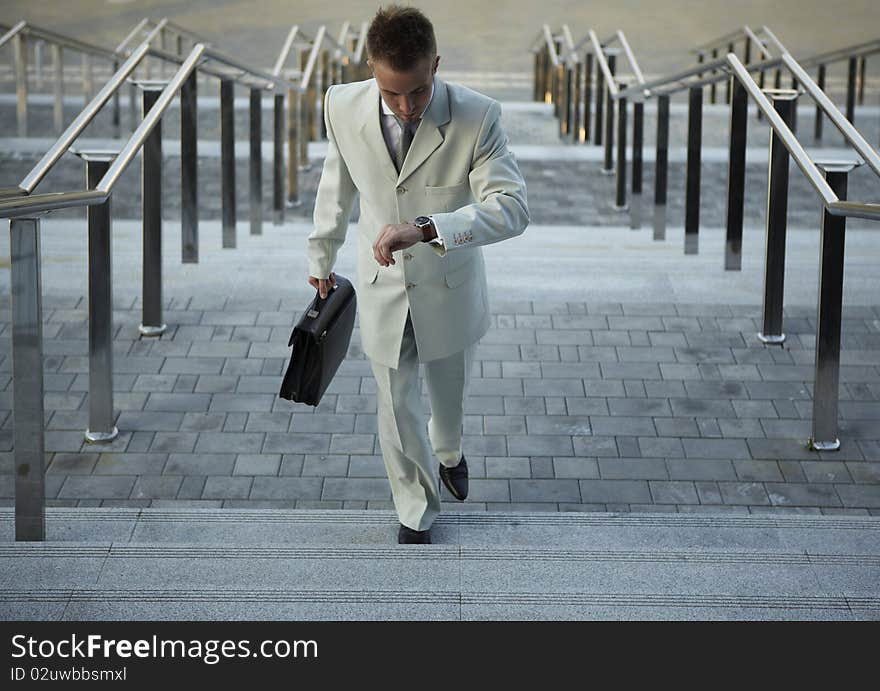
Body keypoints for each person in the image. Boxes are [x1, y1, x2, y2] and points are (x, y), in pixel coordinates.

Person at [306, 4, 529, 544]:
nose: (405, 108)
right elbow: (337, 185)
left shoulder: (479, 116)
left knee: (445, 399)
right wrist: (321, 256)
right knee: (395, 400)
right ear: (370, 69)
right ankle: (415, 509)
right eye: (391, 94)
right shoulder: (340, 104)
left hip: (449, 287)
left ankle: (449, 450)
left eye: (418, 92)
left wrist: (429, 227)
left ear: (436, 64)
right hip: (382, 285)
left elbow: (512, 208)